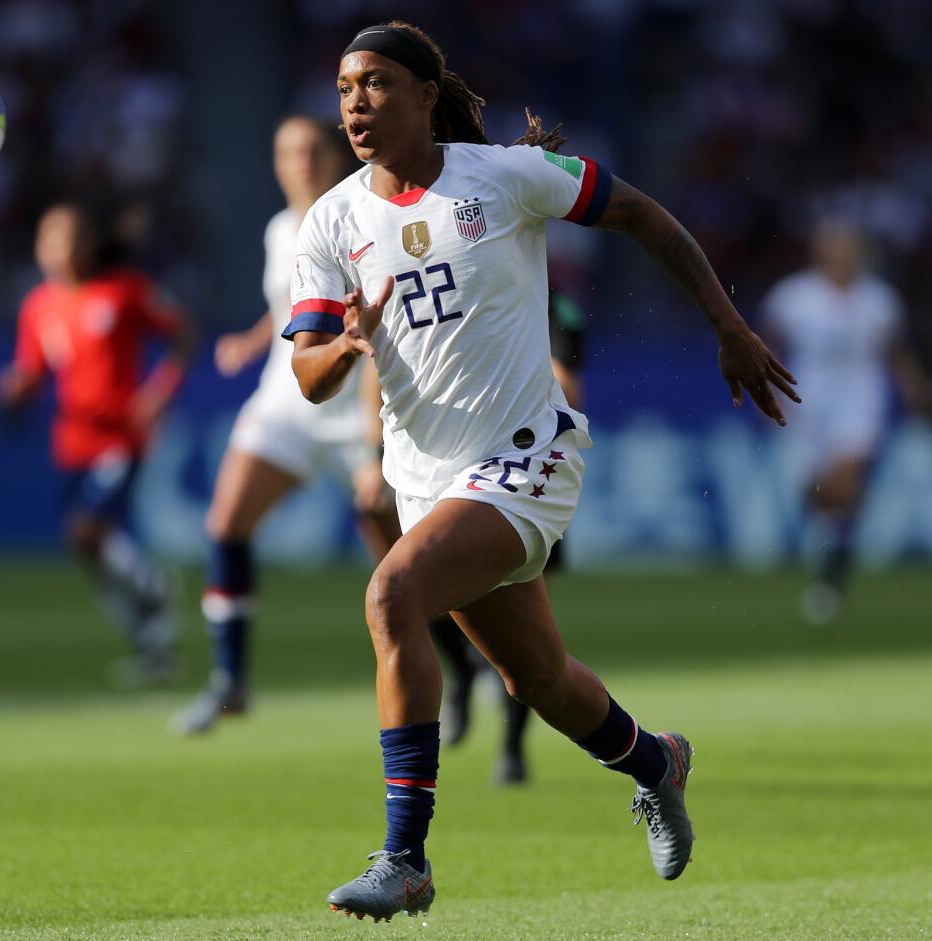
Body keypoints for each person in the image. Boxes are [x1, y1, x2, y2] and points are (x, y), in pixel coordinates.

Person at [284, 22, 800, 921]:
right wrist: (349, 346)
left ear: (423, 94)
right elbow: (308, 372)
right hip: (424, 479)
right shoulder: (332, 221)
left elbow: (643, 213)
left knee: (389, 594)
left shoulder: (505, 178)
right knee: (540, 681)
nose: (355, 103)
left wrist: (728, 324)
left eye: (373, 84)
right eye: (343, 88)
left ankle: (405, 856)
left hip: (527, 456)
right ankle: (656, 761)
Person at [172, 116, 405, 734]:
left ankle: (465, 671)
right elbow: (294, 307)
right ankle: (229, 685)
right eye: (287, 152)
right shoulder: (281, 229)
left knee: (403, 572)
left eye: (311, 151)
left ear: (333, 158)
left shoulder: (361, 221)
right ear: (276, 164)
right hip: (286, 400)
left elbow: (374, 329)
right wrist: (253, 342)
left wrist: (372, 444)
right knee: (226, 524)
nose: (300, 162)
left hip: (359, 410)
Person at [0, 204, 194, 682]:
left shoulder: (123, 290)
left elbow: (183, 333)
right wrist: (17, 387)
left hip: (120, 435)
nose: (60, 249)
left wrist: (159, 392)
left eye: (71, 237)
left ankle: (156, 585)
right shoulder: (39, 306)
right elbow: (34, 370)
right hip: (71, 440)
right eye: (51, 238)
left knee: (89, 530)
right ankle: (153, 648)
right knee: (85, 545)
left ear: (88, 243)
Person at [433, 288, 588, 786]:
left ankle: (512, 749)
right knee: (427, 591)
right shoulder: (466, 283)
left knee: (526, 637)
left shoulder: (557, 308)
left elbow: (569, 385)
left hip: (525, 471)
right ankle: (459, 675)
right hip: (453, 465)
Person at [763, 220, 923, 624]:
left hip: (860, 402)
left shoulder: (880, 301)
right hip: (806, 404)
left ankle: (833, 572)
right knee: (817, 495)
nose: (842, 257)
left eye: (848, 249)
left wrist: (914, 386)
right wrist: (763, 391)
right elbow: (765, 344)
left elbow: (894, 353)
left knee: (845, 480)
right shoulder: (793, 297)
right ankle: (835, 560)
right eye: (834, 249)